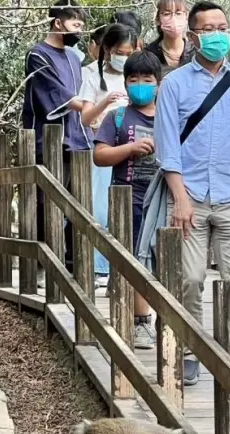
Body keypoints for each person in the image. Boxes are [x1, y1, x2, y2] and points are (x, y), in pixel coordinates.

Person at [155, 0, 230, 391]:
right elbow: (167, 145)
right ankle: (191, 353)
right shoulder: (174, 84)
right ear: (193, 36)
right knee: (189, 278)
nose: (217, 34)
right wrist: (180, 197)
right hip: (190, 194)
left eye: (222, 27)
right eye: (208, 28)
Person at [93, 51, 163, 351]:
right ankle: (140, 321)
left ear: (158, 82)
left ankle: (169, 323)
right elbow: (100, 155)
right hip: (128, 197)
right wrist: (130, 149)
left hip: (162, 198)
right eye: (133, 80)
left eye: (147, 80)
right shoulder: (117, 116)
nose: (140, 85)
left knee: (164, 259)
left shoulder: (169, 115)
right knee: (135, 260)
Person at [23, 0, 90, 273]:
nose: (80, 30)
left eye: (83, 25)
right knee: (46, 202)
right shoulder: (37, 55)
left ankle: (75, 264)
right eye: (76, 24)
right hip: (47, 138)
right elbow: (53, 93)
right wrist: (84, 105)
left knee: (78, 201)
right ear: (58, 22)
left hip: (78, 136)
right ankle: (44, 264)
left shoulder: (75, 58)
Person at [79, 23, 138, 287]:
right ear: (106, 50)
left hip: (134, 147)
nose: (123, 57)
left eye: (128, 51)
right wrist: (107, 101)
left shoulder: (137, 75)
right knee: (100, 209)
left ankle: (128, 264)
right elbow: (85, 118)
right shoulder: (92, 75)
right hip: (105, 146)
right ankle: (100, 269)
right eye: (118, 51)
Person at [145, 0, 195, 75]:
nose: (173, 19)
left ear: (186, 17)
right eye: (167, 14)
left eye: (178, 13)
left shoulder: (195, 53)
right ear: (157, 19)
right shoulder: (148, 54)